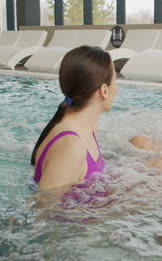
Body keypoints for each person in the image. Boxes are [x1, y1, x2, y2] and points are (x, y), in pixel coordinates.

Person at [31, 45, 118, 190]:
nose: (117, 87)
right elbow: (44, 209)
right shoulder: (71, 146)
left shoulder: (85, 128)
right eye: (115, 80)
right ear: (104, 90)